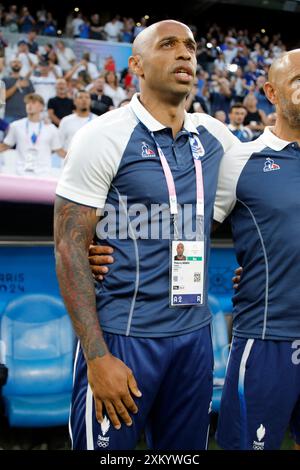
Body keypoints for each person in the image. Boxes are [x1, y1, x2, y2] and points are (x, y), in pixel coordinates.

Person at [54, 20, 237, 451]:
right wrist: (98, 357)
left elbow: (270, 198)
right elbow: (68, 247)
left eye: (191, 46)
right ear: (135, 64)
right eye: (169, 44)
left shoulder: (216, 138)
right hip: (122, 338)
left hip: (193, 340)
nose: (185, 53)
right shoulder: (102, 136)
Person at [213, 49, 300, 450]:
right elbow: (187, 234)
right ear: (271, 92)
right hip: (267, 338)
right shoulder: (240, 160)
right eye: (298, 81)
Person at [0, 93, 64, 176]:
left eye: (33, 103)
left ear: (41, 107)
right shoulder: (16, 125)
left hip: (43, 174)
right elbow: (5, 146)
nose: (29, 105)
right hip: (21, 173)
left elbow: (60, 151)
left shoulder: (51, 128)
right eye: (27, 103)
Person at [58, 89, 97, 155]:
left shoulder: (97, 120)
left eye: (87, 97)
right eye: (80, 97)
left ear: (90, 101)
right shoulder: (66, 121)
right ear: (74, 101)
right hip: (70, 162)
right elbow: (59, 145)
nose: (84, 100)